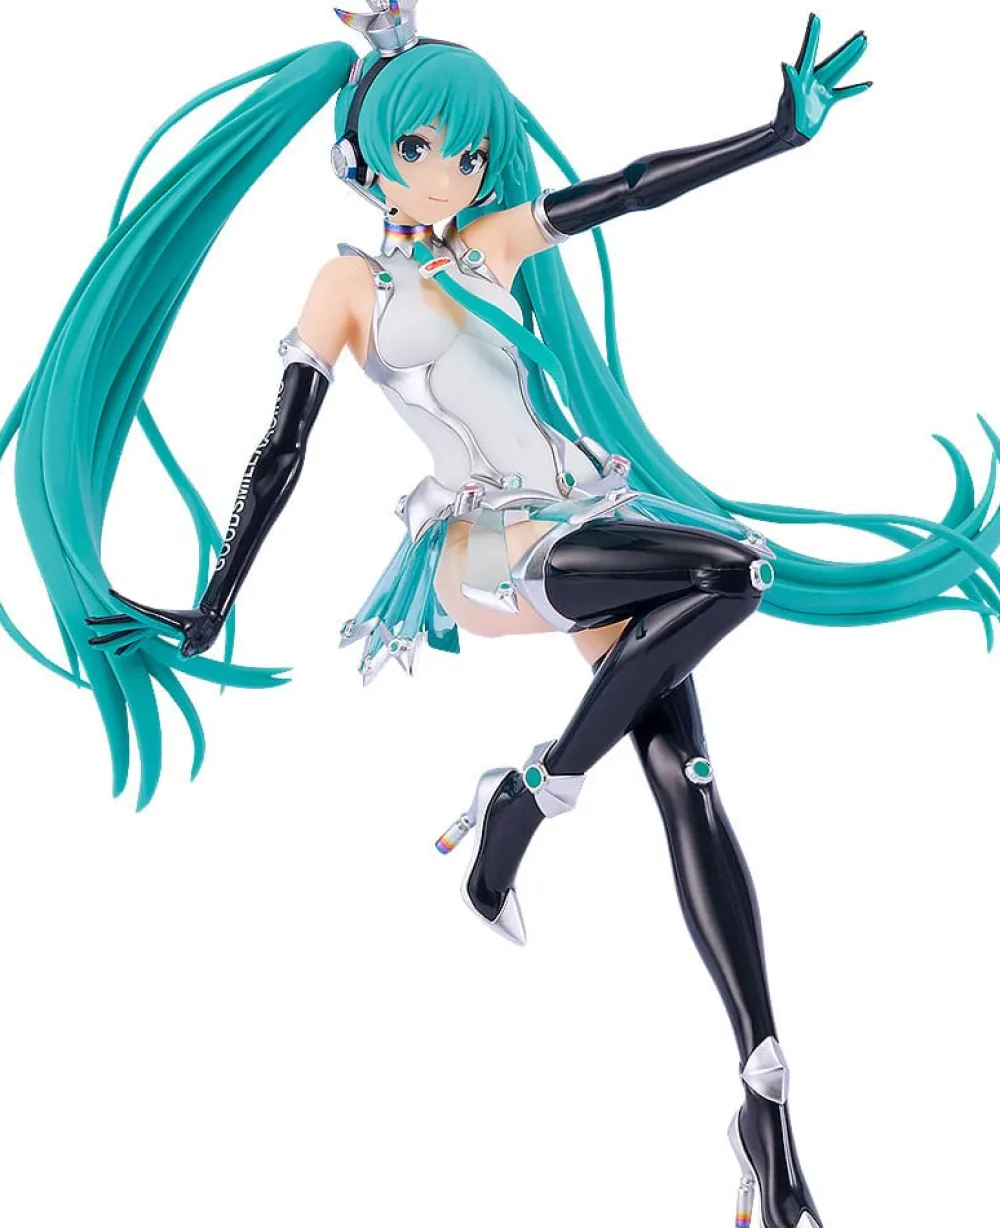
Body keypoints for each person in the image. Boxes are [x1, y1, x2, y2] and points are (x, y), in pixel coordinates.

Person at [4, 5, 999, 1226]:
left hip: (591, 523)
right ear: (362, 154)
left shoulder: (486, 246)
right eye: (422, 150)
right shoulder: (349, 285)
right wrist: (216, 598)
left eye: (470, 155)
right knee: (735, 570)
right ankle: (534, 791)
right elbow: (282, 449)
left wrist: (774, 135)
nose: (450, 176)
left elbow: (629, 189)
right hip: (489, 551)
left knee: (689, 782)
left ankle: (765, 1109)